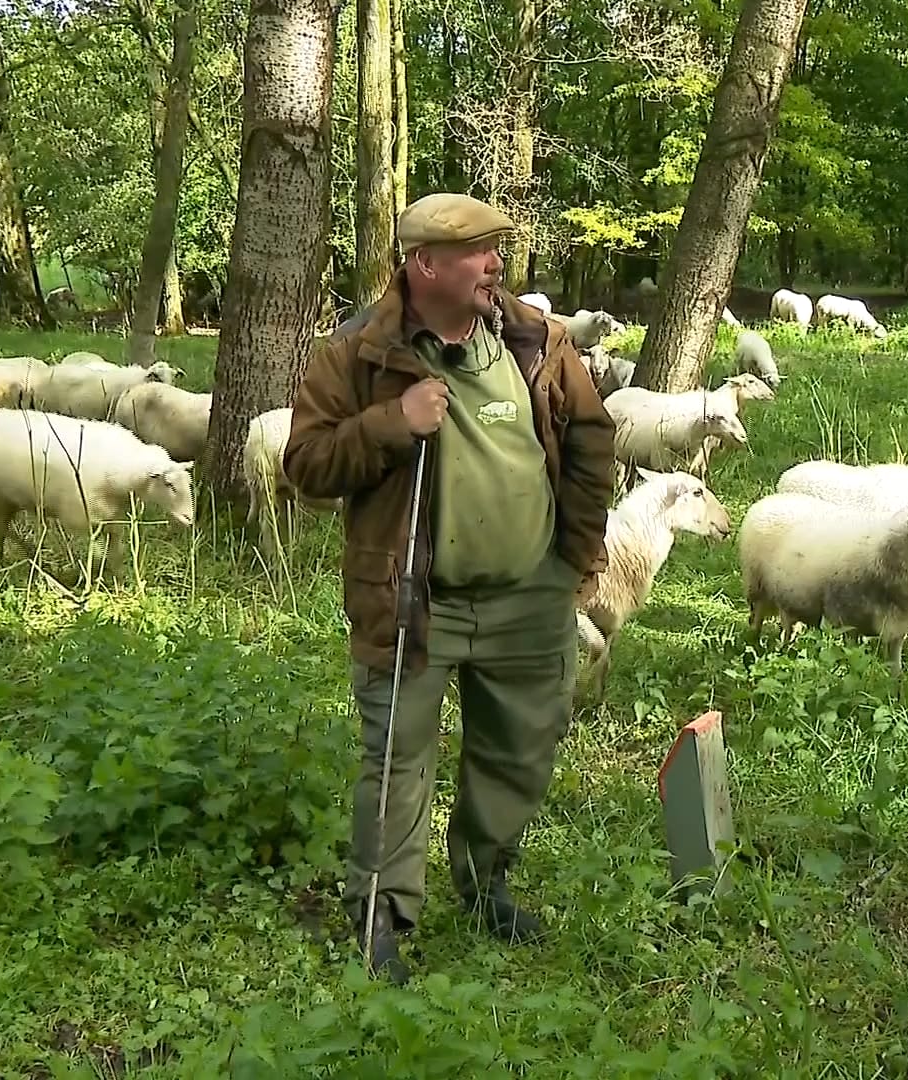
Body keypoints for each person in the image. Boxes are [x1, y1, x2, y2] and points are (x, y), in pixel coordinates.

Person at [281, 192, 616, 984]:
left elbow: (592, 437)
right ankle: (383, 917)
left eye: (498, 249)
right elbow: (306, 463)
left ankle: (485, 883)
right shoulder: (359, 353)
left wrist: (574, 556)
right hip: (413, 596)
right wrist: (392, 422)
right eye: (478, 251)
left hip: (530, 593)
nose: (496, 264)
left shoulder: (536, 341)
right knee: (397, 760)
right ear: (424, 263)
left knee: (521, 747)